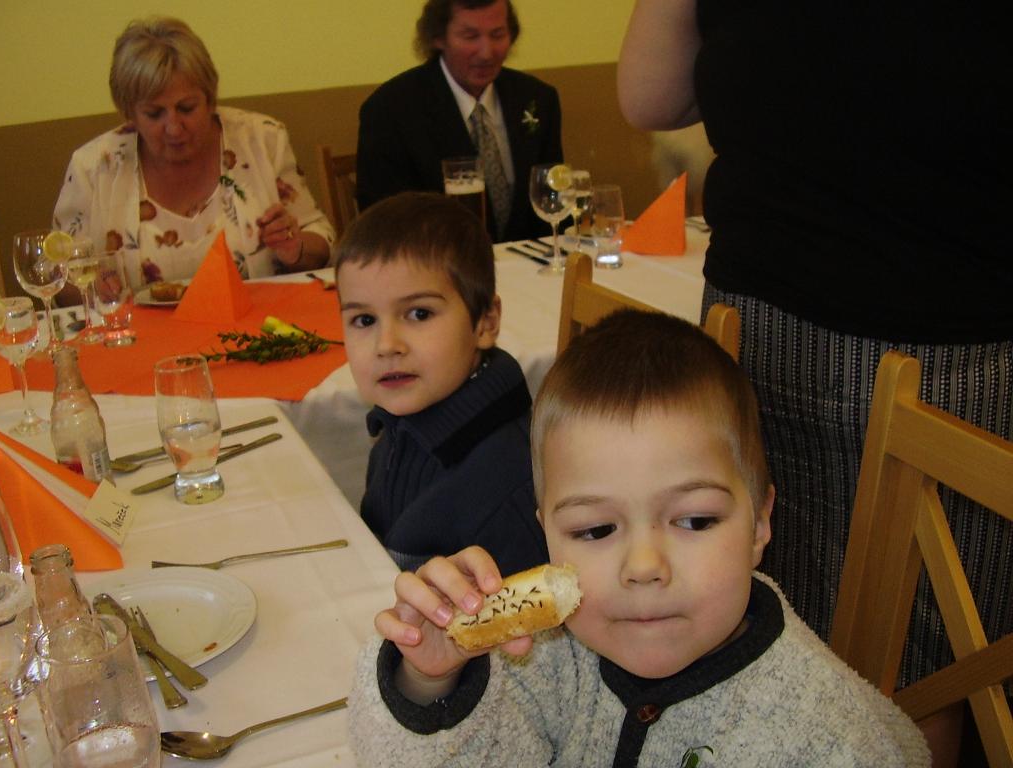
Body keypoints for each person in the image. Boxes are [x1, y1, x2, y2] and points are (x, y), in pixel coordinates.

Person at [617, 0, 1013, 694]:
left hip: (911, 340)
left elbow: (651, 96)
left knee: (901, 664)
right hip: (816, 332)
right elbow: (649, 98)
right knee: (791, 638)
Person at [347, 310, 930, 767]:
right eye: (595, 529)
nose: (644, 565)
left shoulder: (827, 745)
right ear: (546, 537)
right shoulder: (546, 656)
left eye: (695, 521)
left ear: (759, 525)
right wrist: (428, 682)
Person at [335, 191, 546, 575]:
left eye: (419, 313)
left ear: (485, 322)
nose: (386, 345)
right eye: (364, 320)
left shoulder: (507, 487)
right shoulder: (399, 427)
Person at [53, 17, 332, 293]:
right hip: (138, 325)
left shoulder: (263, 139)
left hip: (255, 321)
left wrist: (295, 247)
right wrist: (89, 286)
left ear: (210, 99)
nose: (174, 128)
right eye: (154, 114)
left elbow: (322, 242)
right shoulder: (93, 167)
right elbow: (59, 278)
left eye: (187, 108)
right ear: (130, 115)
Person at [356, 0, 563, 243]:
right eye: (470, 36)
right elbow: (385, 226)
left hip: (531, 263)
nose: (486, 53)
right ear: (438, 37)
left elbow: (553, 201)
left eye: (497, 35)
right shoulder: (392, 110)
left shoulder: (537, 98)